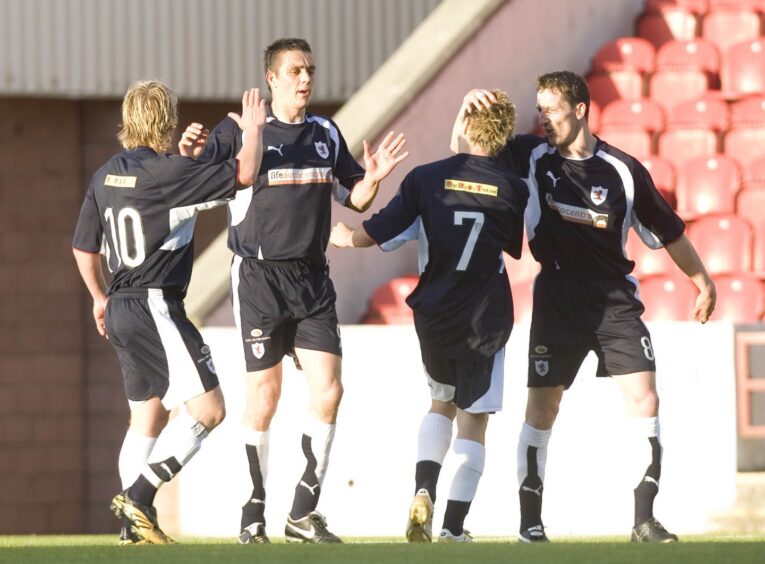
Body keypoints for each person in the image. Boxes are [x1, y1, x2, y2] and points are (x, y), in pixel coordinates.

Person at [454, 72, 716, 543]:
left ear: (580, 109)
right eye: (540, 110)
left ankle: (643, 520)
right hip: (556, 298)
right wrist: (467, 108)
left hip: (614, 300)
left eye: (552, 109)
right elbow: (469, 152)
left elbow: (670, 232)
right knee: (542, 412)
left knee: (646, 401)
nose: (544, 118)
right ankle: (530, 524)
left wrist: (702, 282)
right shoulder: (530, 156)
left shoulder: (623, 170)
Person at [178, 37, 408, 544]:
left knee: (330, 390)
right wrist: (188, 151)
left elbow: (356, 199)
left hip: (311, 279)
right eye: (295, 71)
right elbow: (193, 175)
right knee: (265, 397)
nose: (306, 79)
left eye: (310, 69)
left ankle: (303, 512)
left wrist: (373, 178)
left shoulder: (325, 131)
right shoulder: (240, 130)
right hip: (259, 279)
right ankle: (253, 513)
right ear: (273, 79)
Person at [72, 80, 267, 544]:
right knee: (211, 409)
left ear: (128, 120)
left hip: (119, 305)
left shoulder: (105, 174)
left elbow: (83, 247)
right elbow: (242, 173)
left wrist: (98, 297)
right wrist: (254, 129)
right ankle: (139, 497)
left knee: (148, 418)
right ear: (166, 120)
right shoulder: (165, 174)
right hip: (155, 304)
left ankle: (131, 532)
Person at [330, 90, 528, 543]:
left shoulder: (425, 179)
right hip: (485, 319)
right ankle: (454, 529)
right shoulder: (514, 189)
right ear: (503, 135)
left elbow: (378, 231)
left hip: (435, 315)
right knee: (474, 420)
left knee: (440, 403)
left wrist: (344, 238)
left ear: (466, 127)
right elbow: (510, 243)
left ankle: (423, 490)